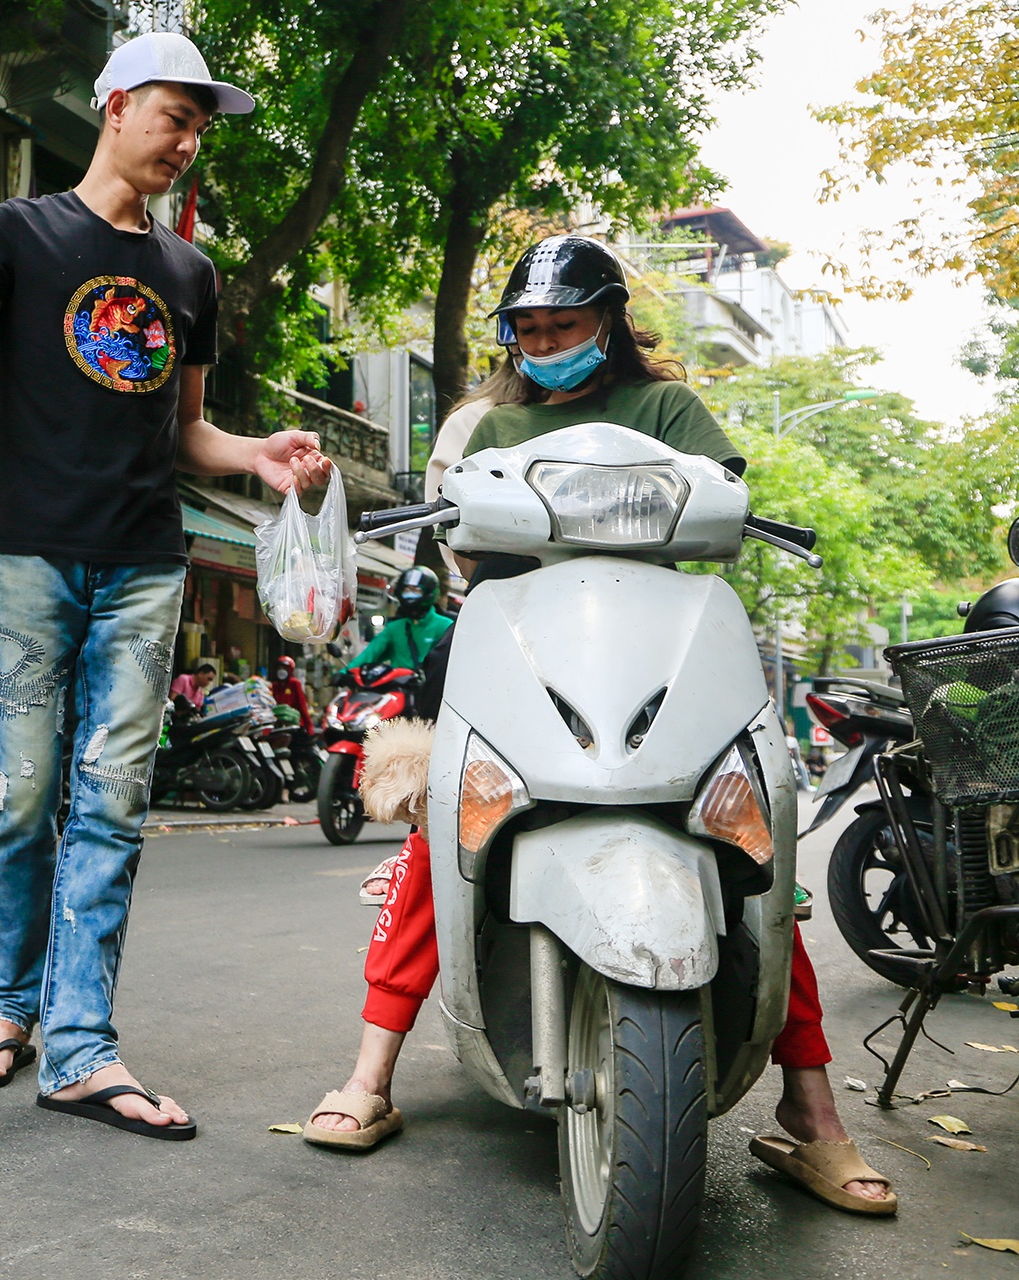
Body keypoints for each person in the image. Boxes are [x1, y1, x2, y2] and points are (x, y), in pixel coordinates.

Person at [303, 234, 895, 1215]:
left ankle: (812, 1114)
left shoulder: (664, 409)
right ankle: (370, 1074)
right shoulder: (493, 427)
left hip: (656, 656)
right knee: (445, 831)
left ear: (607, 323)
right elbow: (471, 552)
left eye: (564, 325)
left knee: (755, 857)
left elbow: (724, 495)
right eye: (529, 328)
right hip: (529, 651)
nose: (545, 342)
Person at [0, 30, 328, 1139]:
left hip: (145, 561)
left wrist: (255, 456)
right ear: (114, 104)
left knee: (111, 798)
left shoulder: (190, 274)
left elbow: (189, 427)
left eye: (201, 122)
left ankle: (78, 1044)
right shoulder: (20, 230)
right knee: (24, 790)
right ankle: (8, 1008)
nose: (189, 136)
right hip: (26, 552)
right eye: (175, 111)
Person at [339, 567, 450, 676]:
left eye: (416, 590)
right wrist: (345, 673)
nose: (410, 594)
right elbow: (371, 653)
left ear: (429, 593)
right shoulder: (395, 628)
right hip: (399, 689)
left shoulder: (445, 627)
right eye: (407, 590)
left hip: (431, 691)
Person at [268, 655, 311, 735]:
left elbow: (302, 706)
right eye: (279, 668)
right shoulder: (274, 686)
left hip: (293, 724)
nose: (281, 671)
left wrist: (309, 727)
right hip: (277, 725)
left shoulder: (294, 684)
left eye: (284, 668)